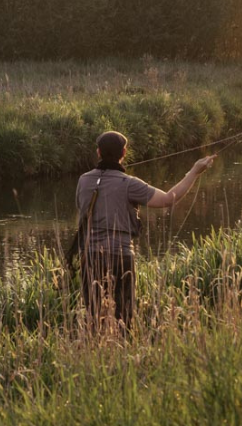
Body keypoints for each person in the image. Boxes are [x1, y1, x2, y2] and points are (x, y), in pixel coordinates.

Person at [76, 130, 214, 329]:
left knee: (94, 316)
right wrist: (194, 171)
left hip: (90, 257)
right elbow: (168, 199)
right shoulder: (129, 184)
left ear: (98, 152)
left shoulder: (83, 180)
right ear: (124, 153)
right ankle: (122, 353)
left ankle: (96, 353)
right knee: (124, 318)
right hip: (121, 257)